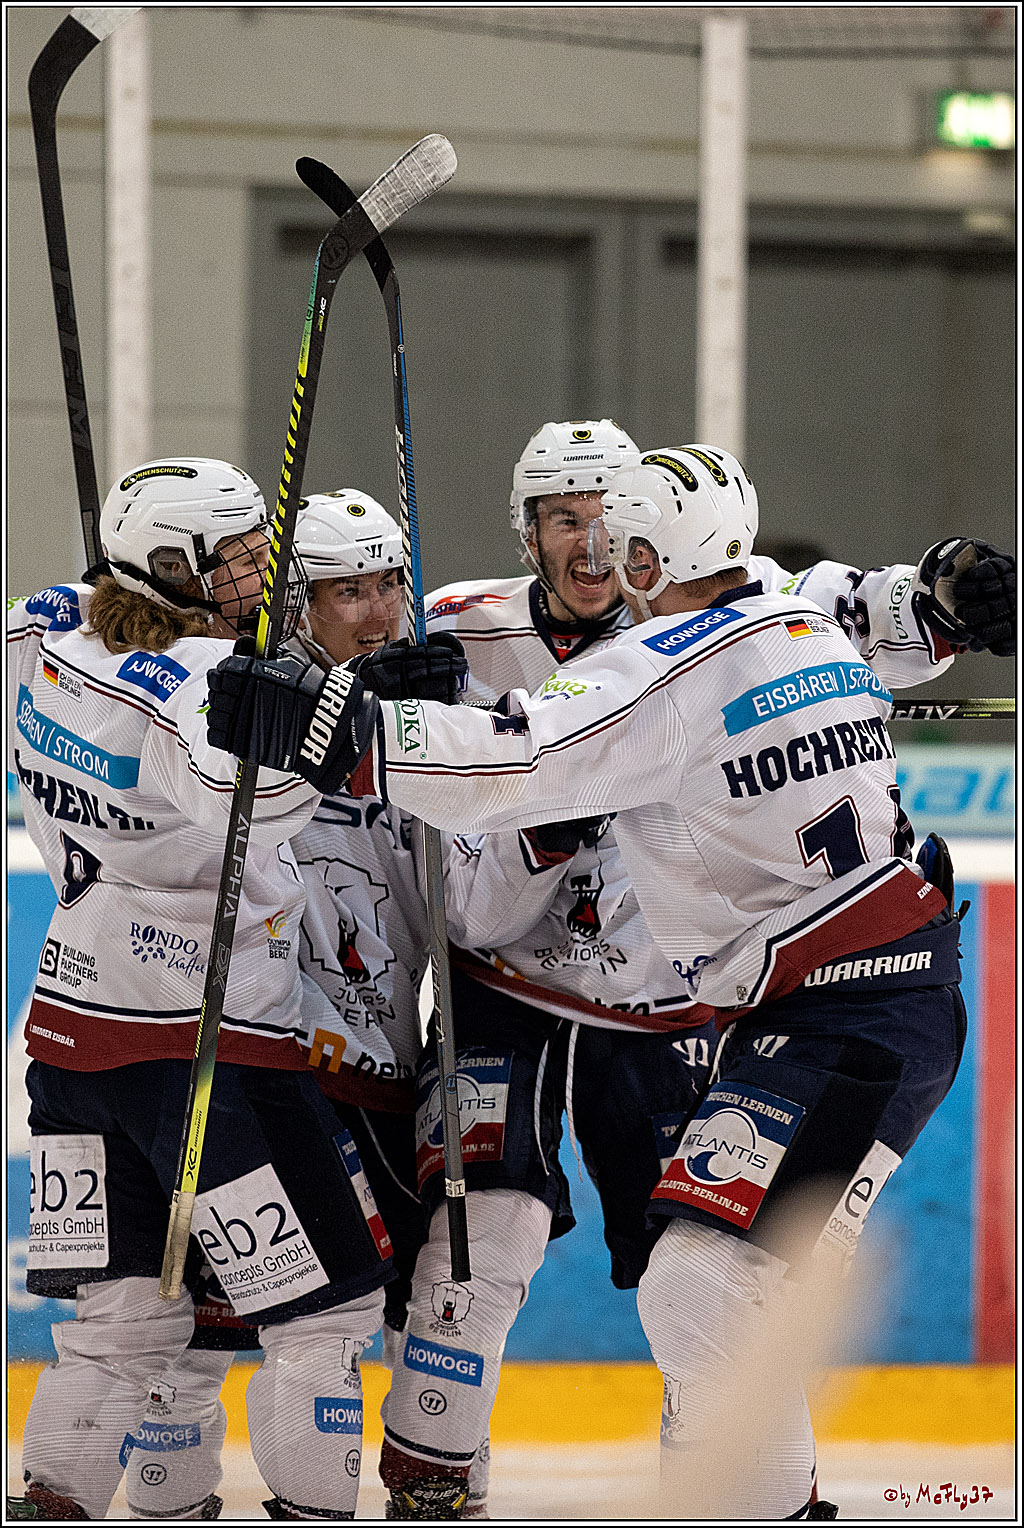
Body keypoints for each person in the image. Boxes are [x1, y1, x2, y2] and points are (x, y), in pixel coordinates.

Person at [206, 438, 1013, 1518]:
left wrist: (350, 730)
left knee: (706, 1282)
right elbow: (874, 608)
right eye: (566, 518)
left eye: (615, 527)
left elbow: (514, 757)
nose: (594, 548)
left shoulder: (656, 665)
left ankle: (756, 1497)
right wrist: (942, 599)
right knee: (664, 1273)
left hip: (814, 1006)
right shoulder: (791, 615)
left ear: (649, 550)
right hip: (807, 996)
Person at [7, 460, 395, 1523]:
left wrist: (90, 596)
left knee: (122, 1318)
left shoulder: (47, 644)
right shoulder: (196, 692)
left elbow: (43, 616)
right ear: (177, 568)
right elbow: (264, 806)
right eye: (235, 560)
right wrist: (336, 715)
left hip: (71, 1047)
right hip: (206, 1054)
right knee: (329, 1308)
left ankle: (54, 1505)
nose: (256, 576)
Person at [121, 488, 473, 1523]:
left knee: (397, 1304)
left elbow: (476, 890)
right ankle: (172, 1504)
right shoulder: (233, 697)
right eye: (347, 590)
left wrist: (443, 738)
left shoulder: (423, 688)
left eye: (390, 583)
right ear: (292, 602)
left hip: (379, 1061)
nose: (379, 612)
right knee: (195, 1317)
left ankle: (425, 1489)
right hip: (264, 1051)